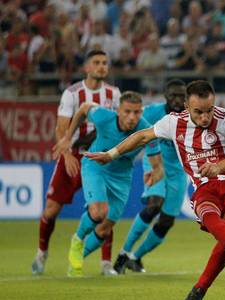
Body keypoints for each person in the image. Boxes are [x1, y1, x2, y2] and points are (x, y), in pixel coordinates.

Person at [86, 80, 225, 300]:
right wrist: (112, 153)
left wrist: (219, 166)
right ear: (187, 108)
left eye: (209, 110)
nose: (205, 117)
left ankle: (198, 290)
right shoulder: (173, 123)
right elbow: (141, 137)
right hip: (205, 187)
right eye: (198, 112)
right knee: (211, 218)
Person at [53, 91, 162, 277]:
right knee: (98, 211)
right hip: (96, 167)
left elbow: (157, 165)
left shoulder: (146, 130)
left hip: (121, 177)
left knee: (105, 229)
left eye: (136, 112)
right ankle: (78, 239)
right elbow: (84, 108)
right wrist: (67, 138)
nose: (132, 117)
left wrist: (153, 176)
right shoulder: (104, 116)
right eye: (127, 111)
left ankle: (77, 258)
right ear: (118, 110)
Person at [31, 50, 120, 276]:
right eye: (97, 63)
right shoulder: (72, 93)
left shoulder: (113, 93)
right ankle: (41, 253)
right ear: (87, 68)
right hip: (73, 156)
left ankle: (106, 262)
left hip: (100, 158)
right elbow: (61, 127)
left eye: (105, 63)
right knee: (51, 210)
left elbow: (116, 125)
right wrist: (68, 154)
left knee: (105, 210)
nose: (102, 66)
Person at [114, 79, 187, 274]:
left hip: (179, 173)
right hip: (156, 164)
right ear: (166, 96)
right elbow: (129, 126)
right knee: (155, 204)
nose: (178, 100)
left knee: (166, 221)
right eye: (174, 96)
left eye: (182, 96)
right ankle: (123, 253)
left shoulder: (193, 117)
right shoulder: (152, 112)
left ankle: (135, 258)